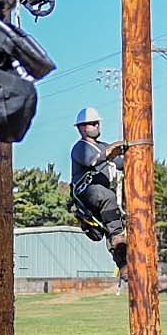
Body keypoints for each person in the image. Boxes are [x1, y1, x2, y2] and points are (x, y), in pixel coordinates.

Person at [68, 107, 129, 272]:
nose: (96, 126)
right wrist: (113, 149)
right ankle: (117, 234)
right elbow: (93, 161)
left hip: (102, 196)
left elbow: (121, 164)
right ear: (81, 128)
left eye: (97, 123)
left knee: (115, 219)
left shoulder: (102, 145)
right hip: (87, 192)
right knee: (107, 196)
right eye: (91, 124)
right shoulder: (80, 147)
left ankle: (123, 264)